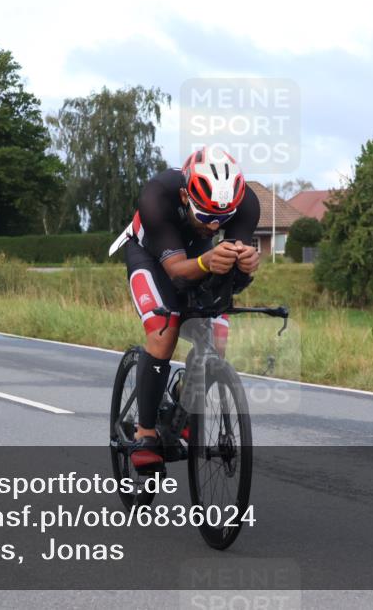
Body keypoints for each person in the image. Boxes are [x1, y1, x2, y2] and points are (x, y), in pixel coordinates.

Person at [111, 145, 261, 470]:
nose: (212, 227)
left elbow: (232, 280)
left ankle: (185, 401)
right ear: (184, 197)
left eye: (222, 220)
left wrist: (246, 266)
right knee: (165, 332)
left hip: (198, 259)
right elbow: (178, 274)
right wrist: (208, 260)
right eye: (206, 217)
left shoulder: (246, 204)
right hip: (150, 256)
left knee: (215, 340)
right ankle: (145, 433)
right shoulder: (158, 195)